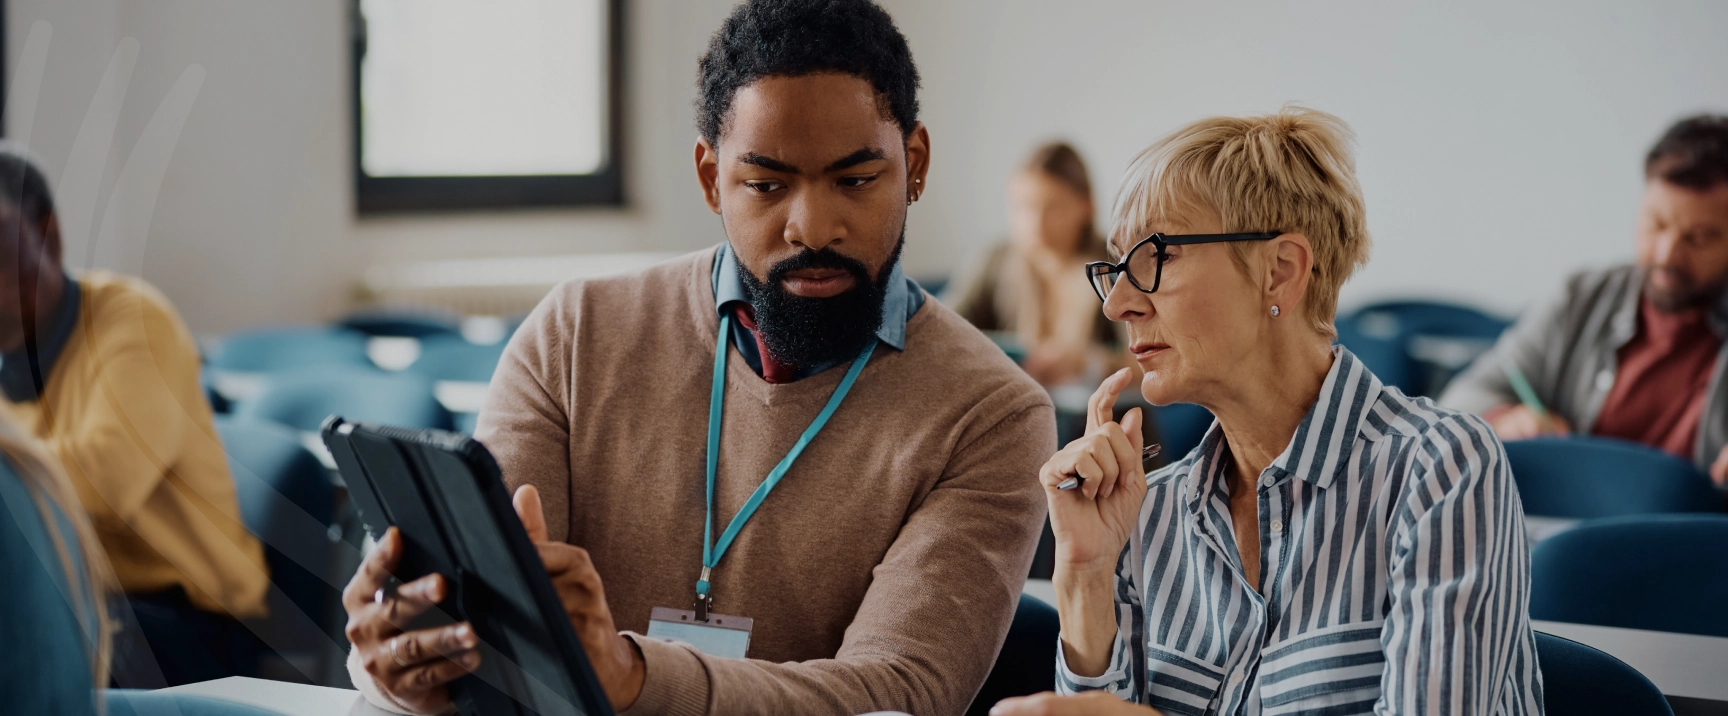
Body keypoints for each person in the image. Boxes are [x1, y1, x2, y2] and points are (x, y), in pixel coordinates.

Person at [341, 1, 1055, 715]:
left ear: (915, 165)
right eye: (767, 185)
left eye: (857, 179)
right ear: (712, 178)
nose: (812, 226)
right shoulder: (575, 332)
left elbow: (899, 693)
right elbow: (488, 619)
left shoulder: (992, 413)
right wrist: (403, 666)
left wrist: (632, 676)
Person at [993, 108, 1543, 716]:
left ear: (1279, 272)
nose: (1119, 304)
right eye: (1116, 268)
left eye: (1156, 256)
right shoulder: (1146, 512)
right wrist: (1085, 576)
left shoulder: (1439, 470)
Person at [0, 145, 269, 687]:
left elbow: (104, 482)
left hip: (191, 622)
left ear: (46, 234)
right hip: (83, 596)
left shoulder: (135, 321)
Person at [1441, 115, 1728, 486]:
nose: (1667, 254)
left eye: (1700, 238)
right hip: (1564, 529)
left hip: (1684, 540)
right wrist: (1505, 416)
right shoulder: (1580, 298)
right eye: (1655, 223)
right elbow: (1462, 397)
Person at [945, 142, 1125, 387]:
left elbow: (1151, 360)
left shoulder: (1117, 266)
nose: (1035, 223)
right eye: (1023, 206)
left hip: (1108, 419)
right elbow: (943, 331)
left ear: (1086, 206)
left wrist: (1088, 364)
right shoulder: (993, 261)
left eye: (1053, 207)